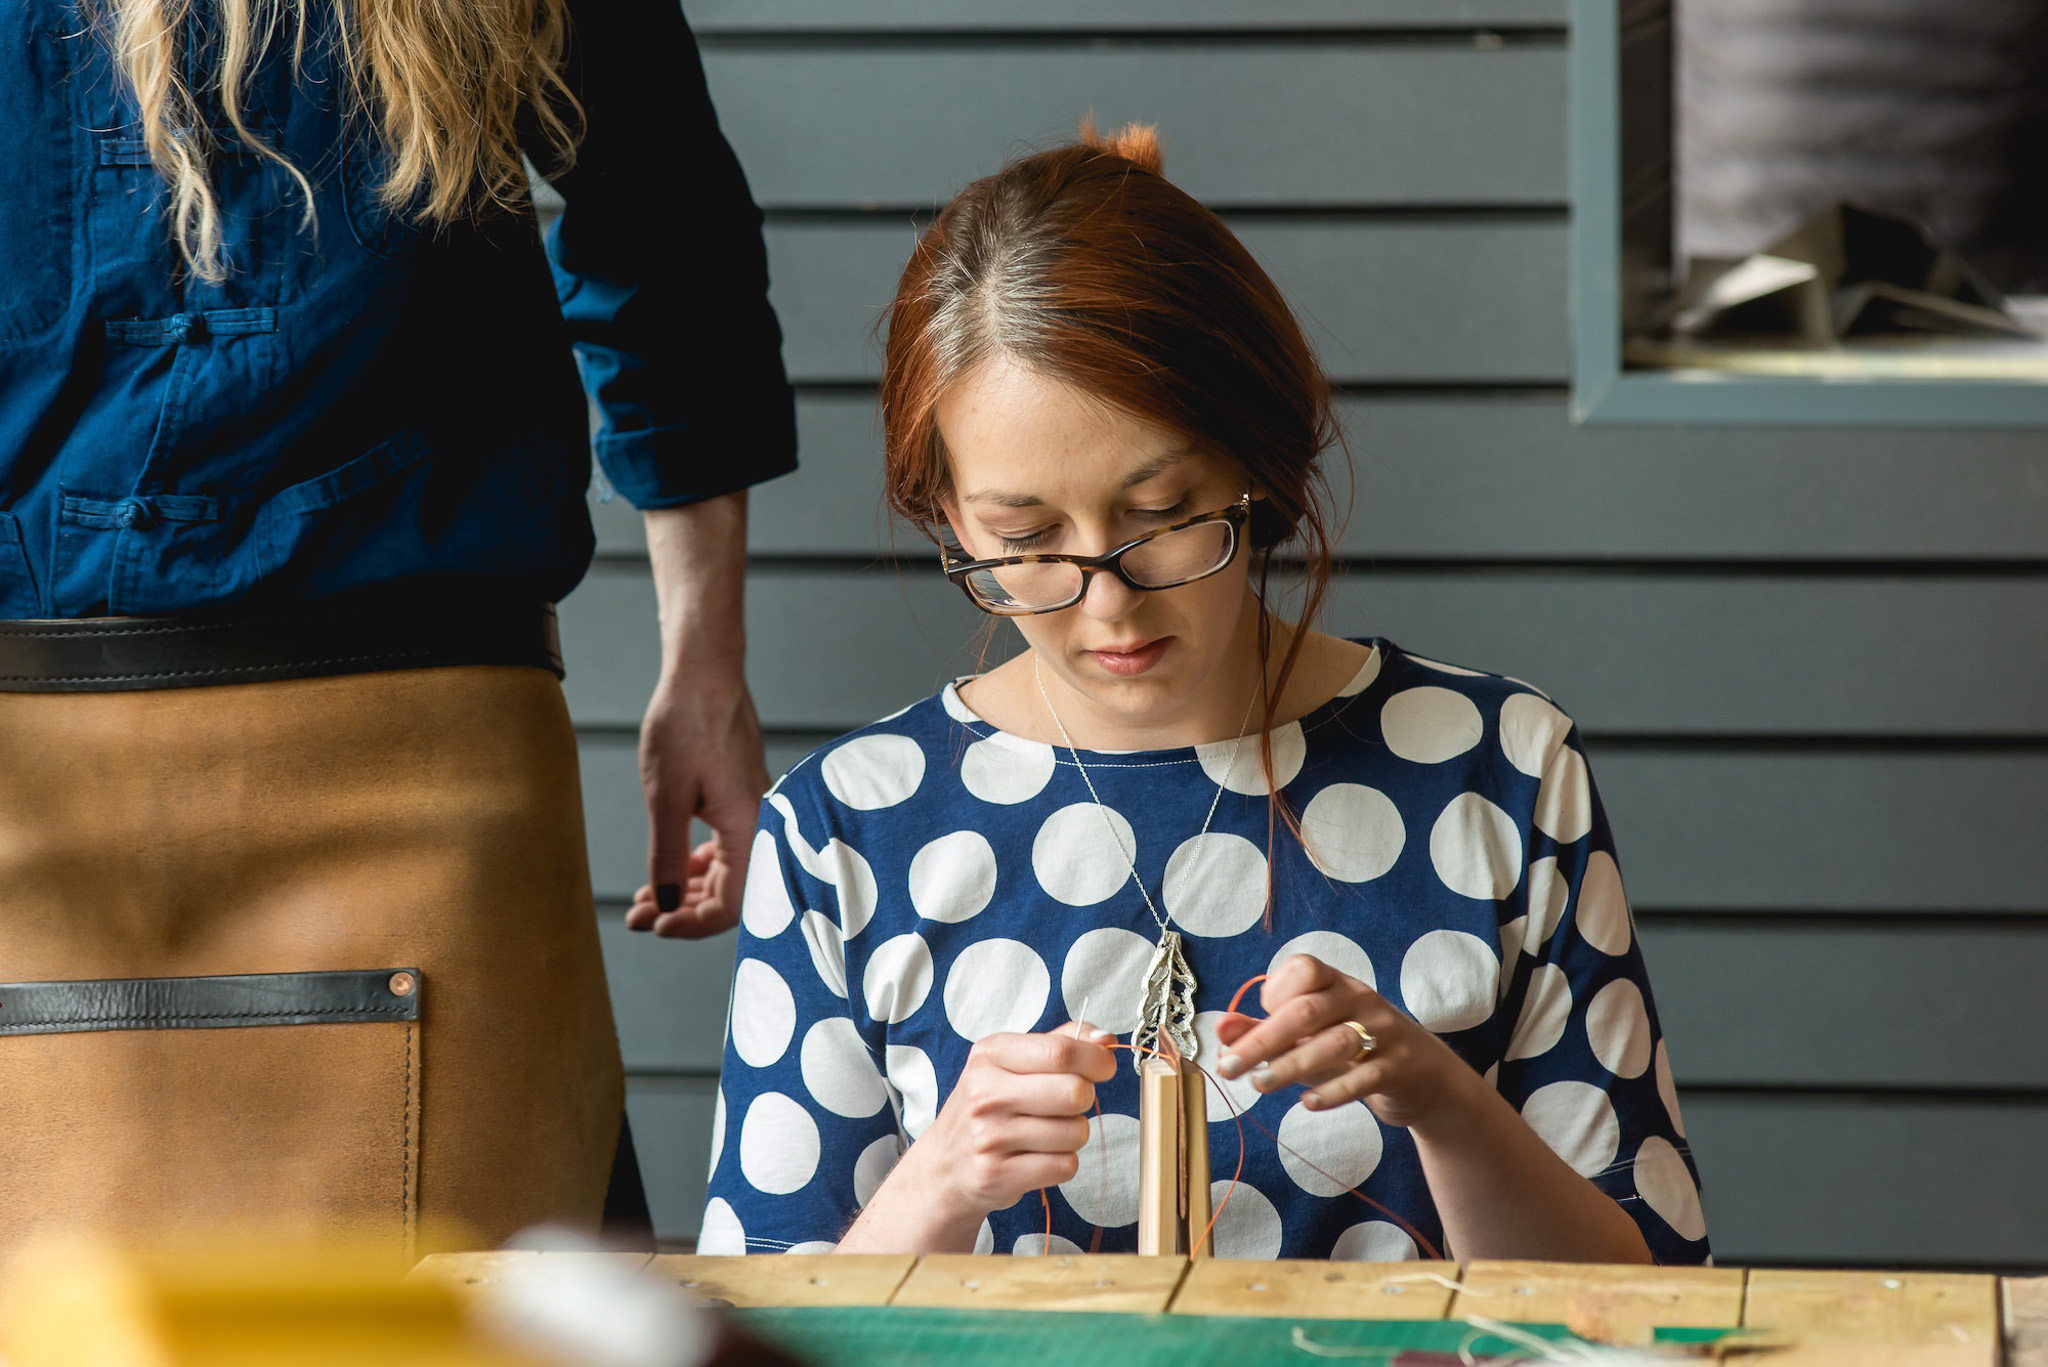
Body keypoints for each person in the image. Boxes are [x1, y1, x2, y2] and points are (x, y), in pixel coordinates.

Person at [700, 125, 1708, 1264]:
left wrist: (1445, 1103)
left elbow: (1650, 1296)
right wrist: (933, 1185)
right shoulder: (843, 829)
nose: (1106, 603)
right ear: (944, 514)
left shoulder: (1501, 768)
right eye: (1024, 538)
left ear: (1254, 462)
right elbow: (748, 1328)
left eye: (1159, 514)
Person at [0, 0, 789, 1258]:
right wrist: (705, 665)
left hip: (409, 778)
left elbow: (659, 228)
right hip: (90, 805)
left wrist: (705, 667)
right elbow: (663, 235)